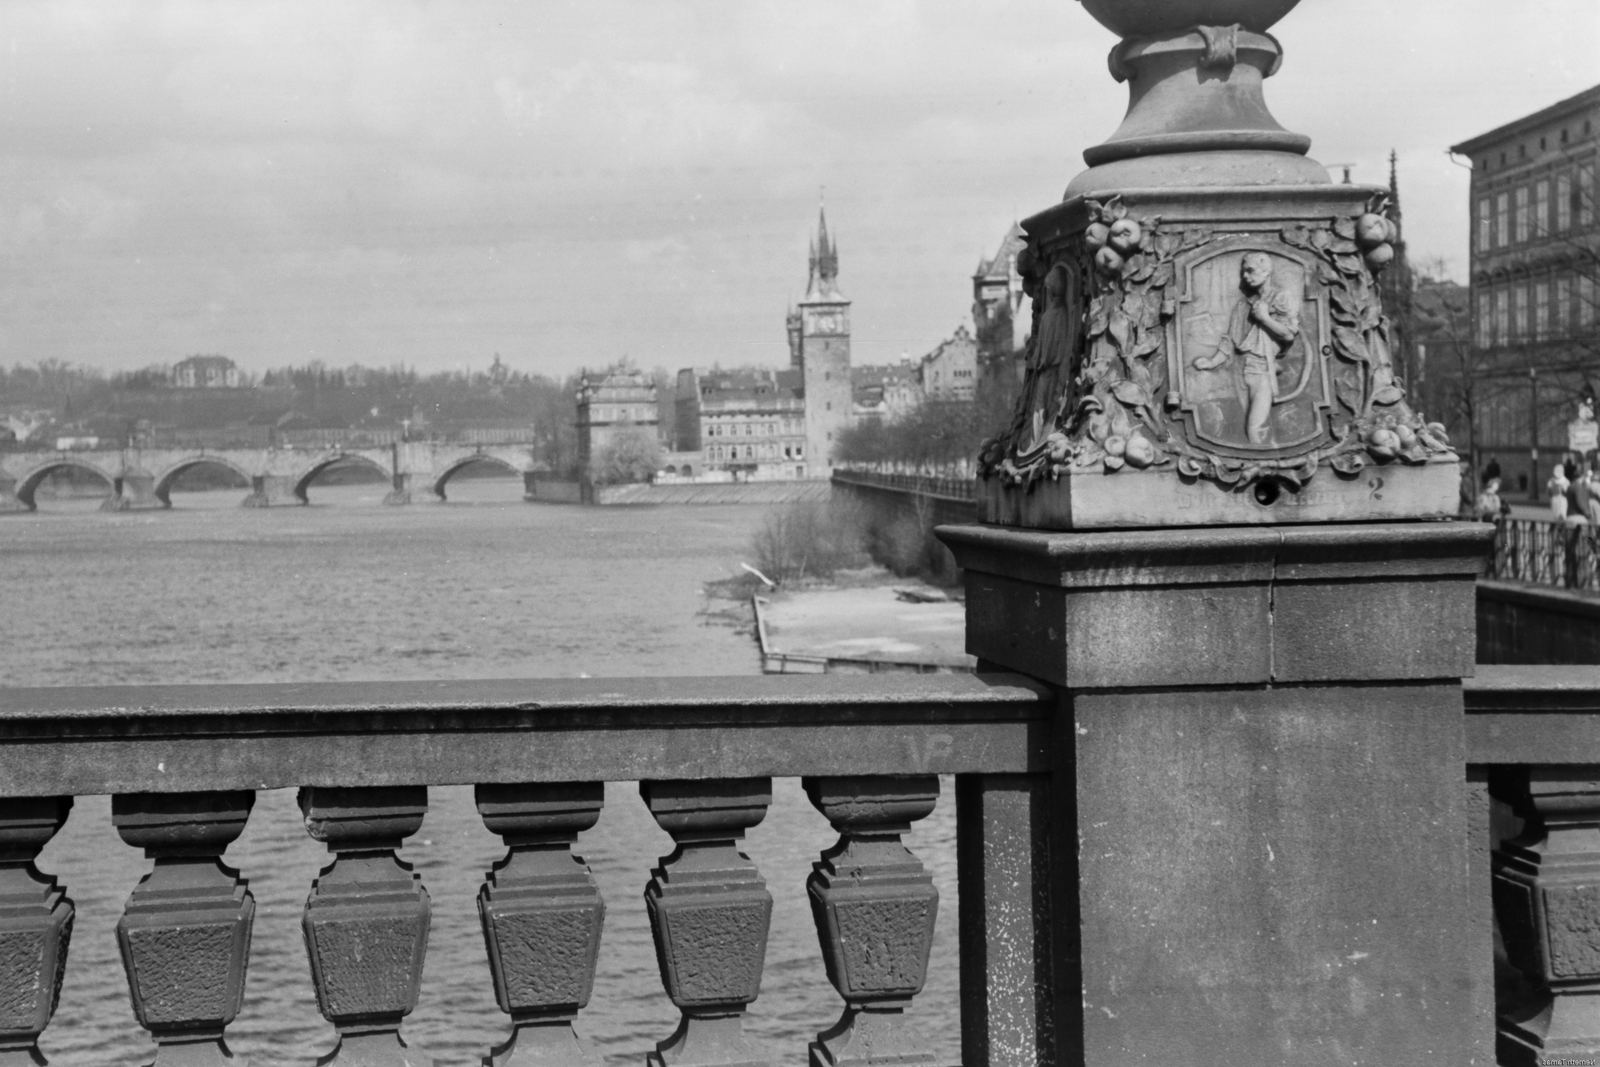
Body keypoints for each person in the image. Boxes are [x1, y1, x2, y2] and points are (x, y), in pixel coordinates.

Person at [1192, 252, 1300, 445]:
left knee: (1255, 427)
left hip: (1261, 370)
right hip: (1240, 371)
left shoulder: (1281, 298)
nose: (1245, 277)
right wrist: (1212, 362)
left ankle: (1267, 465)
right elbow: (1229, 341)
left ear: (1266, 271)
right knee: (1246, 424)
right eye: (1243, 272)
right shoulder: (1242, 306)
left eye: (1250, 271)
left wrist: (1265, 318)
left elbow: (1288, 335)